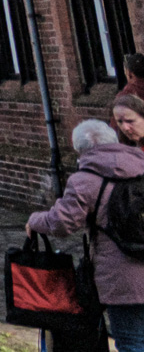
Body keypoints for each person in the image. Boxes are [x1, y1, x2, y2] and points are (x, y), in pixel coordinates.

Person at [30, 119, 144, 351]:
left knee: (132, 341)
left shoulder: (84, 180)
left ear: (80, 150)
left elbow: (61, 224)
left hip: (122, 277)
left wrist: (34, 220)